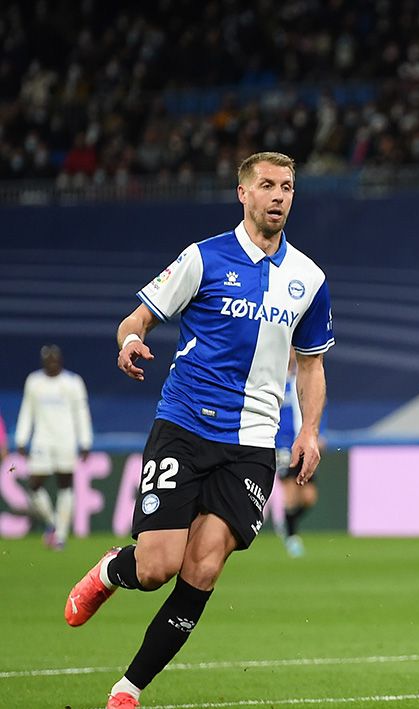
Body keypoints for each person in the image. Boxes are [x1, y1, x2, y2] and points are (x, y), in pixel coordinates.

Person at [62, 151, 334, 709]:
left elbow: (311, 364)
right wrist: (130, 341)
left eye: (287, 186)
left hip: (254, 444)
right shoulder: (203, 259)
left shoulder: (309, 278)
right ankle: (114, 570)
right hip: (184, 427)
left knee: (203, 567)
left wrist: (308, 431)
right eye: (267, 185)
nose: (279, 195)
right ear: (243, 193)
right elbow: (137, 317)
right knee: (157, 566)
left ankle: (127, 690)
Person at [15, 344, 93, 550]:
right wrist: (22, 438)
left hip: (66, 440)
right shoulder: (34, 382)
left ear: (60, 360)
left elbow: (81, 412)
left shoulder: (73, 383)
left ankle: (60, 535)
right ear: (43, 361)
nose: (51, 363)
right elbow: (27, 410)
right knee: (34, 485)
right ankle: (52, 522)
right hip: (42, 441)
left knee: (65, 484)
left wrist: (85, 441)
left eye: (54, 359)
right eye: (48, 359)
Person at [274, 357, 318, 558]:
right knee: (291, 491)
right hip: (286, 447)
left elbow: (318, 407)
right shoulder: (276, 382)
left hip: (304, 444)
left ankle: (287, 522)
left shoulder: (305, 378)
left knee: (309, 497)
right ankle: (291, 538)